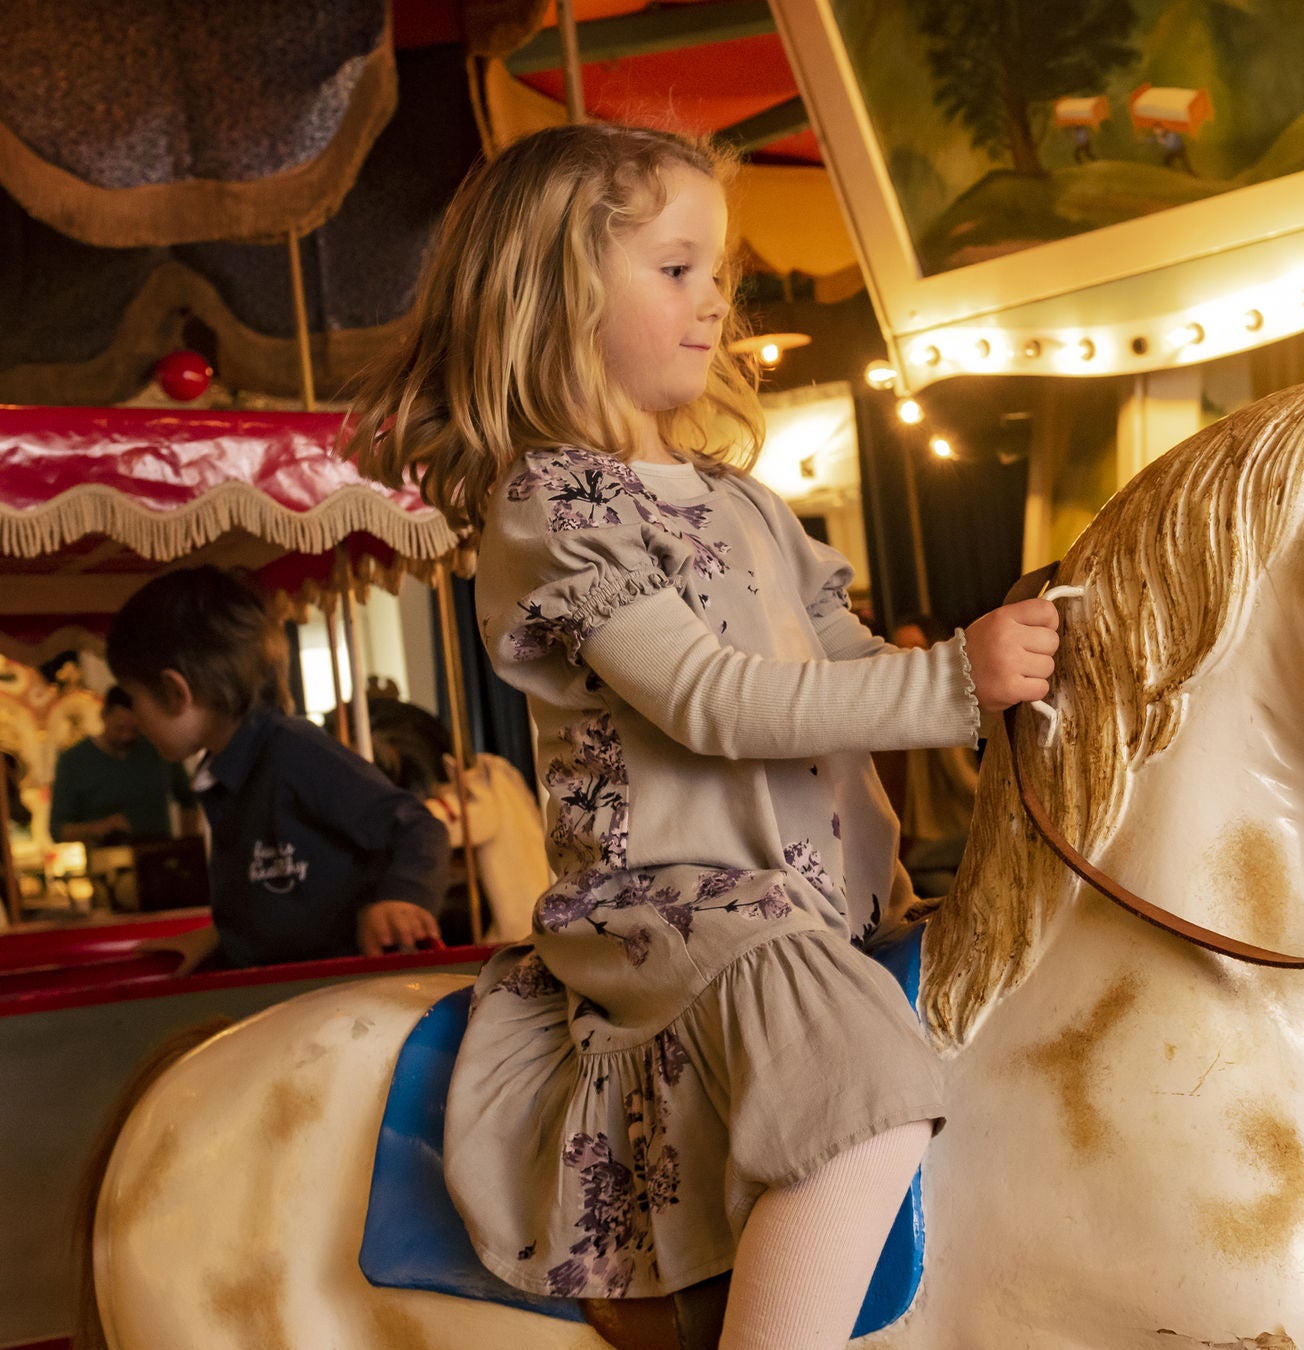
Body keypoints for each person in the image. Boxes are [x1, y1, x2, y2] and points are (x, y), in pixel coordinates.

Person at [346, 122, 1058, 1346]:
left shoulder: (741, 501)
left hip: (829, 897)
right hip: (681, 903)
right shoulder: (553, 504)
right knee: (869, 1091)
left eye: (715, 273)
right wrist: (953, 682)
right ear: (559, 295)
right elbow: (713, 701)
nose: (714, 302)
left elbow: (844, 666)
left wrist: (1013, 691)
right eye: (675, 270)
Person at [103, 566, 452, 969]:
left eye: (133, 697)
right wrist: (221, 938)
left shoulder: (294, 752)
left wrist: (401, 898)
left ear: (174, 691)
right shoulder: (226, 773)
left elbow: (417, 826)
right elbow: (274, 901)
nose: (135, 718)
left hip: (338, 990)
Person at [887, 615, 980, 897]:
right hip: (931, 831)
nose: (906, 656)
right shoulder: (903, 706)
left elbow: (961, 776)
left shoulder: (939, 704)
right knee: (927, 875)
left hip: (961, 825)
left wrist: (1001, 806)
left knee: (914, 867)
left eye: (915, 646)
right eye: (898, 648)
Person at [47, 686, 197, 845]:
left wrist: (187, 844)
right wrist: (98, 828)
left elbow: (188, 800)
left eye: (134, 730)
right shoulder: (73, 761)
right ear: (104, 716)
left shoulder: (158, 748)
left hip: (157, 853)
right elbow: (58, 830)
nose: (126, 737)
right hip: (106, 860)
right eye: (119, 728)